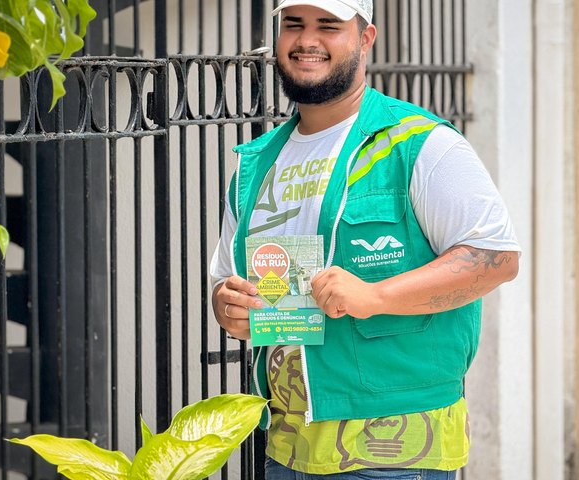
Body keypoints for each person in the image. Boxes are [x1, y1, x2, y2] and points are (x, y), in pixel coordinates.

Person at [210, 0, 521, 478]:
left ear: (365, 38)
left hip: (394, 454)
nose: (306, 40)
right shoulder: (256, 164)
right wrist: (227, 304)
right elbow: (227, 281)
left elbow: (496, 258)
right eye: (293, 25)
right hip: (287, 447)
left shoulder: (420, 143)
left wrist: (374, 295)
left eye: (328, 26)